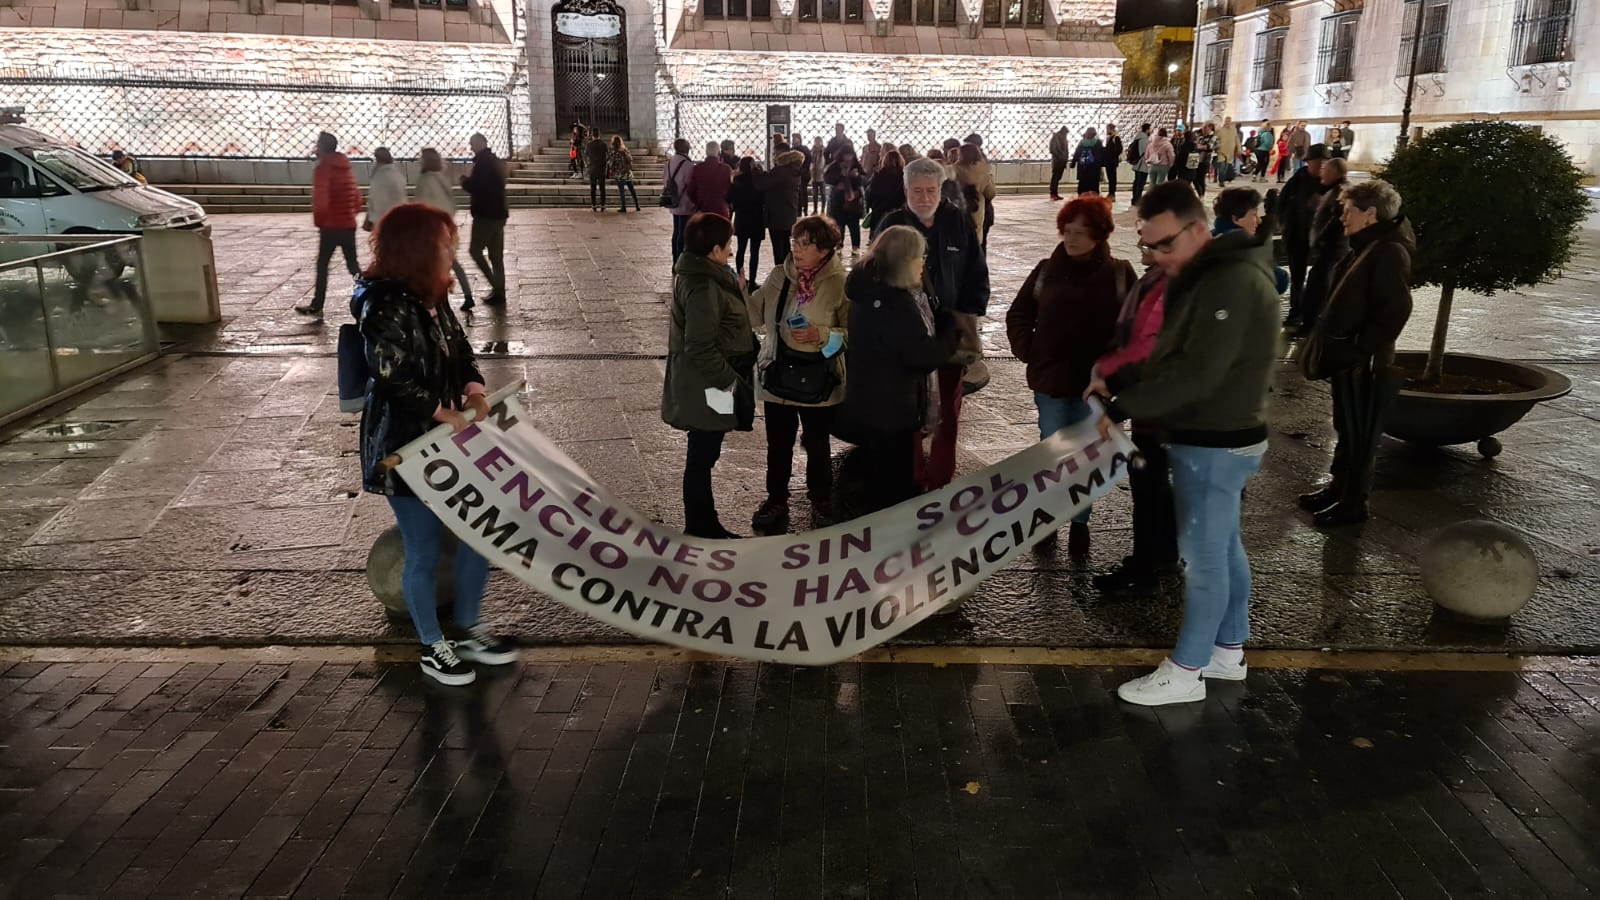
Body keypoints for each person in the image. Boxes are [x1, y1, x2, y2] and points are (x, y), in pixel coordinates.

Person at [1086, 180, 1280, 706]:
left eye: (1164, 243)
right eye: (1148, 245)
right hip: (1213, 435)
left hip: (1217, 438)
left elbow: (1199, 373)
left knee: (1204, 557)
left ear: (1198, 230)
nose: (1155, 255)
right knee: (1224, 549)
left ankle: (1187, 669)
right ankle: (1227, 651)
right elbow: (1177, 355)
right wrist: (1120, 382)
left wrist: (1123, 408)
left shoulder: (1229, 282)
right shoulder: (1208, 275)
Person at [355, 202, 516, 685]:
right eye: (446, 240)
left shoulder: (432, 295)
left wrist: (473, 387)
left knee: (478, 537)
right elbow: (390, 375)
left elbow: (460, 349)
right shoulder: (384, 304)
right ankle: (431, 644)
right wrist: (438, 410)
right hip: (406, 446)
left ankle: (467, 626)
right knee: (422, 550)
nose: (454, 246)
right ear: (419, 248)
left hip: (450, 439)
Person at [1005, 196, 1136, 556]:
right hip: (1051, 380)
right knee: (1052, 451)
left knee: (1086, 453)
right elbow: (1018, 314)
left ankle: (1080, 522)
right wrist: (1029, 351)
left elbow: (1134, 329)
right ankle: (1047, 519)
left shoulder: (1120, 273)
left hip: (1095, 384)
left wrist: (1116, 368)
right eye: (1068, 231)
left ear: (1099, 234)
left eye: (1082, 232)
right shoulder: (1047, 269)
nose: (1072, 238)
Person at [1299, 180, 1414, 527]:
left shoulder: (1388, 251)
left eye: (1348, 211)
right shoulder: (1367, 245)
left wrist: (1358, 349)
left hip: (1364, 362)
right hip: (1349, 357)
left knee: (1360, 431)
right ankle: (1338, 487)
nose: (1342, 218)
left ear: (1370, 214)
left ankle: (1353, 501)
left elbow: (1395, 311)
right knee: (1345, 425)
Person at [873, 157, 990, 491]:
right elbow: (874, 276)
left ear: (941, 190)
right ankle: (911, 475)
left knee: (948, 414)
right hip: (907, 337)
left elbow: (975, 274)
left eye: (930, 190)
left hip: (948, 334)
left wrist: (968, 318)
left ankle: (939, 479)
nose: (924, 197)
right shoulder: (891, 225)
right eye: (917, 190)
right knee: (910, 410)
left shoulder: (957, 221)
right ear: (906, 190)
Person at [836, 225, 960, 513]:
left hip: (868, 405)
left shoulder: (866, 290)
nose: (923, 265)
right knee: (892, 492)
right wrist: (949, 335)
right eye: (919, 258)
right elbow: (920, 356)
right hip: (892, 411)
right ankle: (890, 549)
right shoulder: (895, 303)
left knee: (876, 482)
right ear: (904, 260)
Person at [1089, 234, 1181, 599]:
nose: (1139, 239)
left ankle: (1144, 572)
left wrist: (1118, 404)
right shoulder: (1158, 278)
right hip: (1155, 409)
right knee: (1155, 487)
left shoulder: (1168, 286)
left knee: (1149, 488)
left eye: (1147, 236)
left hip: (1157, 410)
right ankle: (1162, 555)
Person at [747, 216, 850, 534]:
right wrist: (737, 294)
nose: (797, 248)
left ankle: (820, 500)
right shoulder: (780, 276)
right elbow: (754, 316)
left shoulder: (839, 283)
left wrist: (820, 335)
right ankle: (775, 499)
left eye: (805, 243)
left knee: (817, 443)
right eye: (795, 241)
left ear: (824, 249)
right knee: (778, 443)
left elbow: (849, 336)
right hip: (778, 373)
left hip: (819, 380)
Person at [662, 213, 758, 539]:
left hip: (707, 383)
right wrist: (731, 384)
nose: (731, 252)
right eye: (728, 245)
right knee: (703, 453)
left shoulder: (705, 275)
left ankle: (704, 522)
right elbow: (700, 346)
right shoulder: (702, 284)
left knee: (705, 451)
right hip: (709, 386)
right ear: (715, 248)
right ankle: (702, 526)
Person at [295, 131, 362, 316]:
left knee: (322, 264)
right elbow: (356, 197)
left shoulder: (324, 168)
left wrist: (321, 221)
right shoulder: (346, 166)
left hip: (331, 226)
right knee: (353, 265)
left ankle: (317, 304)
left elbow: (321, 199)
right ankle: (369, 293)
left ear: (322, 147)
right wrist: (350, 214)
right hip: (348, 224)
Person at [413, 147, 475, 311]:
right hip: (447, 228)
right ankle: (467, 294)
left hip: (431, 231)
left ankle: (434, 299)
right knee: (452, 263)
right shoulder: (441, 178)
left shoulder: (425, 180)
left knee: (430, 266)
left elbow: (420, 207)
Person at [1278, 144, 1333, 330]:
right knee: (1297, 278)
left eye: (1325, 163)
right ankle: (1296, 312)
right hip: (1297, 238)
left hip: (1322, 242)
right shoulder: (1297, 181)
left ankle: (1315, 314)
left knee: (1320, 279)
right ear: (1308, 162)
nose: (1321, 167)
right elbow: (1282, 204)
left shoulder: (1332, 184)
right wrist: (1283, 224)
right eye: (1318, 162)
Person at [1301, 157, 1352, 329]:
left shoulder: (1339, 192)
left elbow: (1335, 222)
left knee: (1319, 287)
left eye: (1326, 170)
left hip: (1331, 250)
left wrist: (1321, 240)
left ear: (1335, 173)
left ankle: (1312, 326)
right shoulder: (1333, 190)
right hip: (1331, 249)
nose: (1321, 173)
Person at [1212, 187, 1290, 294]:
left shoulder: (1212, 237)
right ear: (1236, 218)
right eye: (1254, 214)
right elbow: (1280, 281)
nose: (1259, 220)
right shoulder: (1242, 248)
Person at [460, 133, 508, 306]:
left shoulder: (482, 164)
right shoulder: (494, 160)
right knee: (496, 256)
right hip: (499, 214)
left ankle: (497, 286)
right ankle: (499, 292)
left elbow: (478, 188)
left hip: (485, 215)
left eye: (472, 144)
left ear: (479, 144)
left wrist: (465, 182)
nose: (471, 147)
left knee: (475, 250)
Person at [759, 148, 805, 266]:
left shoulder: (780, 172)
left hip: (776, 214)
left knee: (778, 247)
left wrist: (757, 172)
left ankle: (780, 272)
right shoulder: (796, 173)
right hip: (789, 213)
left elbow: (762, 184)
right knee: (786, 245)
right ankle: (788, 270)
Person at [728, 157, 766, 284]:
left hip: (742, 217)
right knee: (754, 252)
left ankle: (740, 276)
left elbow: (731, 198)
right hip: (756, 218)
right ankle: (753, 279)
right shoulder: (759, 180)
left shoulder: (738, 180)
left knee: (741, 249)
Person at [825, 148, 867, 254]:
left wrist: (856, 178)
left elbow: (863, 179)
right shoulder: (835, 166)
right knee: (839, 224)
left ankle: (856, 246)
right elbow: (828, 178)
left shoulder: (856, 166)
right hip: (838, 200)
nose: (848, 158)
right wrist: (842, 176)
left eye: (850, 155)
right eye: (846, 155)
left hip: (854, 201)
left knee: (854, 225)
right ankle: (839, 245)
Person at [953, 144, 995, 247]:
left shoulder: (954, 169)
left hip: (957, 204)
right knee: (976, 231)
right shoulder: (984, 170)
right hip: (976, 205)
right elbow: (991, 193)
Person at [666, 138, 697, 261]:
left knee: (676, 231)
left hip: (673, 200)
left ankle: (675, 259)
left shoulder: (669, 162)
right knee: (682, 233)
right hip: (685, 202)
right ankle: (679, 260)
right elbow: (691, 184)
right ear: (687, 149)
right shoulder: (688, 164)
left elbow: (665, 180)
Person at [687, 141, 733, 220]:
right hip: (721, 208)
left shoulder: (698, 168)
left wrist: (698, 203)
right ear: (718, 152)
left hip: (703, 208)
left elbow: (691, 190)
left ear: (706, 152)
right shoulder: (726, 169)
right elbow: (729, 190)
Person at [365, 147, 407, 232]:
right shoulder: (397, 173)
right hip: (399, 214)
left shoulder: (380, 175)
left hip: (383, 216)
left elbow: (375, 198)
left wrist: (371, 217)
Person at [866, 149, 906, 221]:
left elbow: (872, 193)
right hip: (898, 210)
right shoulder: (903, 177)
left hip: (879, 211)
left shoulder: (878, 176)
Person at [608, 135, 642, 213]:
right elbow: (630, 159)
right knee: (632, 190)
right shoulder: (625, 150)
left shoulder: (614, 152)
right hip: (627, 173)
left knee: (622, 191)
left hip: (619, 174)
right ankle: (637, 205)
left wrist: (611, 170)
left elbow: (612, 164)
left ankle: (623, 207)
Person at [1072, 127, 1103, 196]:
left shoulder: (1082, 142)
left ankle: (1082, 197)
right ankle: (1094, 198)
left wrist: (1073, 163)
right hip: (1094, 167)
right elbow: (1101, 154)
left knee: (1083, 183)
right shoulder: (1098, 142)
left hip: (1083, 166)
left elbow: (1076, 153)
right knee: (1094, 184)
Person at [1129, 123, 1153, 206]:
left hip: (1137, 164)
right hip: (1142, 165)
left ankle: (1134, 198)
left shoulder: (1137, 138)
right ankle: (1137, 199)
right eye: (1150, 129)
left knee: (1136, 182)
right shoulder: (1145, 140)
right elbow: (1147, 153)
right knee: (1140, 183)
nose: (1151, 131)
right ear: (1147, 130)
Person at [586, 129, 610, 211]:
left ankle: (593, 205)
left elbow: (586, 155)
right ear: (599, 135)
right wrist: (604, 162)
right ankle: (602, 205)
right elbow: (608, 156)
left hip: (592, 168)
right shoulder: (603, 144)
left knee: (593, 188)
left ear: (592, 135)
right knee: (602, 188)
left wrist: (588, 165)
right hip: (601, 169)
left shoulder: (589, 144)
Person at [1048, 125, 1072, 202]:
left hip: (1062, 161)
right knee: (1055, 177)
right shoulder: (1056, 137)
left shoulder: (1063, 138)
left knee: (1058, 177)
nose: (1066, 135)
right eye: (1066, 133)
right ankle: (1053, 193)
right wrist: (1060, 156)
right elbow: (1052, 149)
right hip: (1057, 161)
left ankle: (1055, 193)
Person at [1101, 124, 1124, 201]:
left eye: (1107, 129)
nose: (1106, 131)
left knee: (1112, 179)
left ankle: (1112, 194)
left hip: (1112, 161)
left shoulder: (1116, 138)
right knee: (1110, 178)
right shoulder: (1109, 138)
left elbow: (1119, 149)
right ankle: (1110, 193)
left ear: (1111, 129)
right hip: (1109, 161)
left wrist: (1112, 154)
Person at [1190, 124, 1213, 197]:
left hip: (1204, 160)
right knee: (1194, 178)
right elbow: (1195, 145)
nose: (1204, 130)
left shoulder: (1213, 137)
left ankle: (1202, 194)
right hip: (1196, 160)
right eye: (1203, 129)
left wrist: (1200, 147)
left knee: (1201, 178)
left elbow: (1210, 146)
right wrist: (1200, 147)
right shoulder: (1199, 137)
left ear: (1209, 129)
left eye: (1206, 129)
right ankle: (1199, 193)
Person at [1214, 117, 1239, 185]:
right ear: (1224, 122)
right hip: (1221, 151)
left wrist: (1239, 149)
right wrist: (1216, 146)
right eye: (1226, 121)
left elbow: (1237, 140)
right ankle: (1221, 181)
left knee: (1226, 168)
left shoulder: (1234, 130)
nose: (1227, 122)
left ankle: (1223, 180)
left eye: (1229, 121)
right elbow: (1215, 138)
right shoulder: (1220, 130)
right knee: (1221, 167)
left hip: (1230, 152)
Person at [809, 137, 828, 214]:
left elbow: (826, 162)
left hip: (822, 175)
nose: (817, 143)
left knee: (823, 193)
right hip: (814, 176)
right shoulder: (812, 152)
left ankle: (823, 209)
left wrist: (824, 170)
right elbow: (811, 162)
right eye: (816, 141)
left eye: (819, 141)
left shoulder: (824, 151)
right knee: (815, 194)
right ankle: (815, 209)